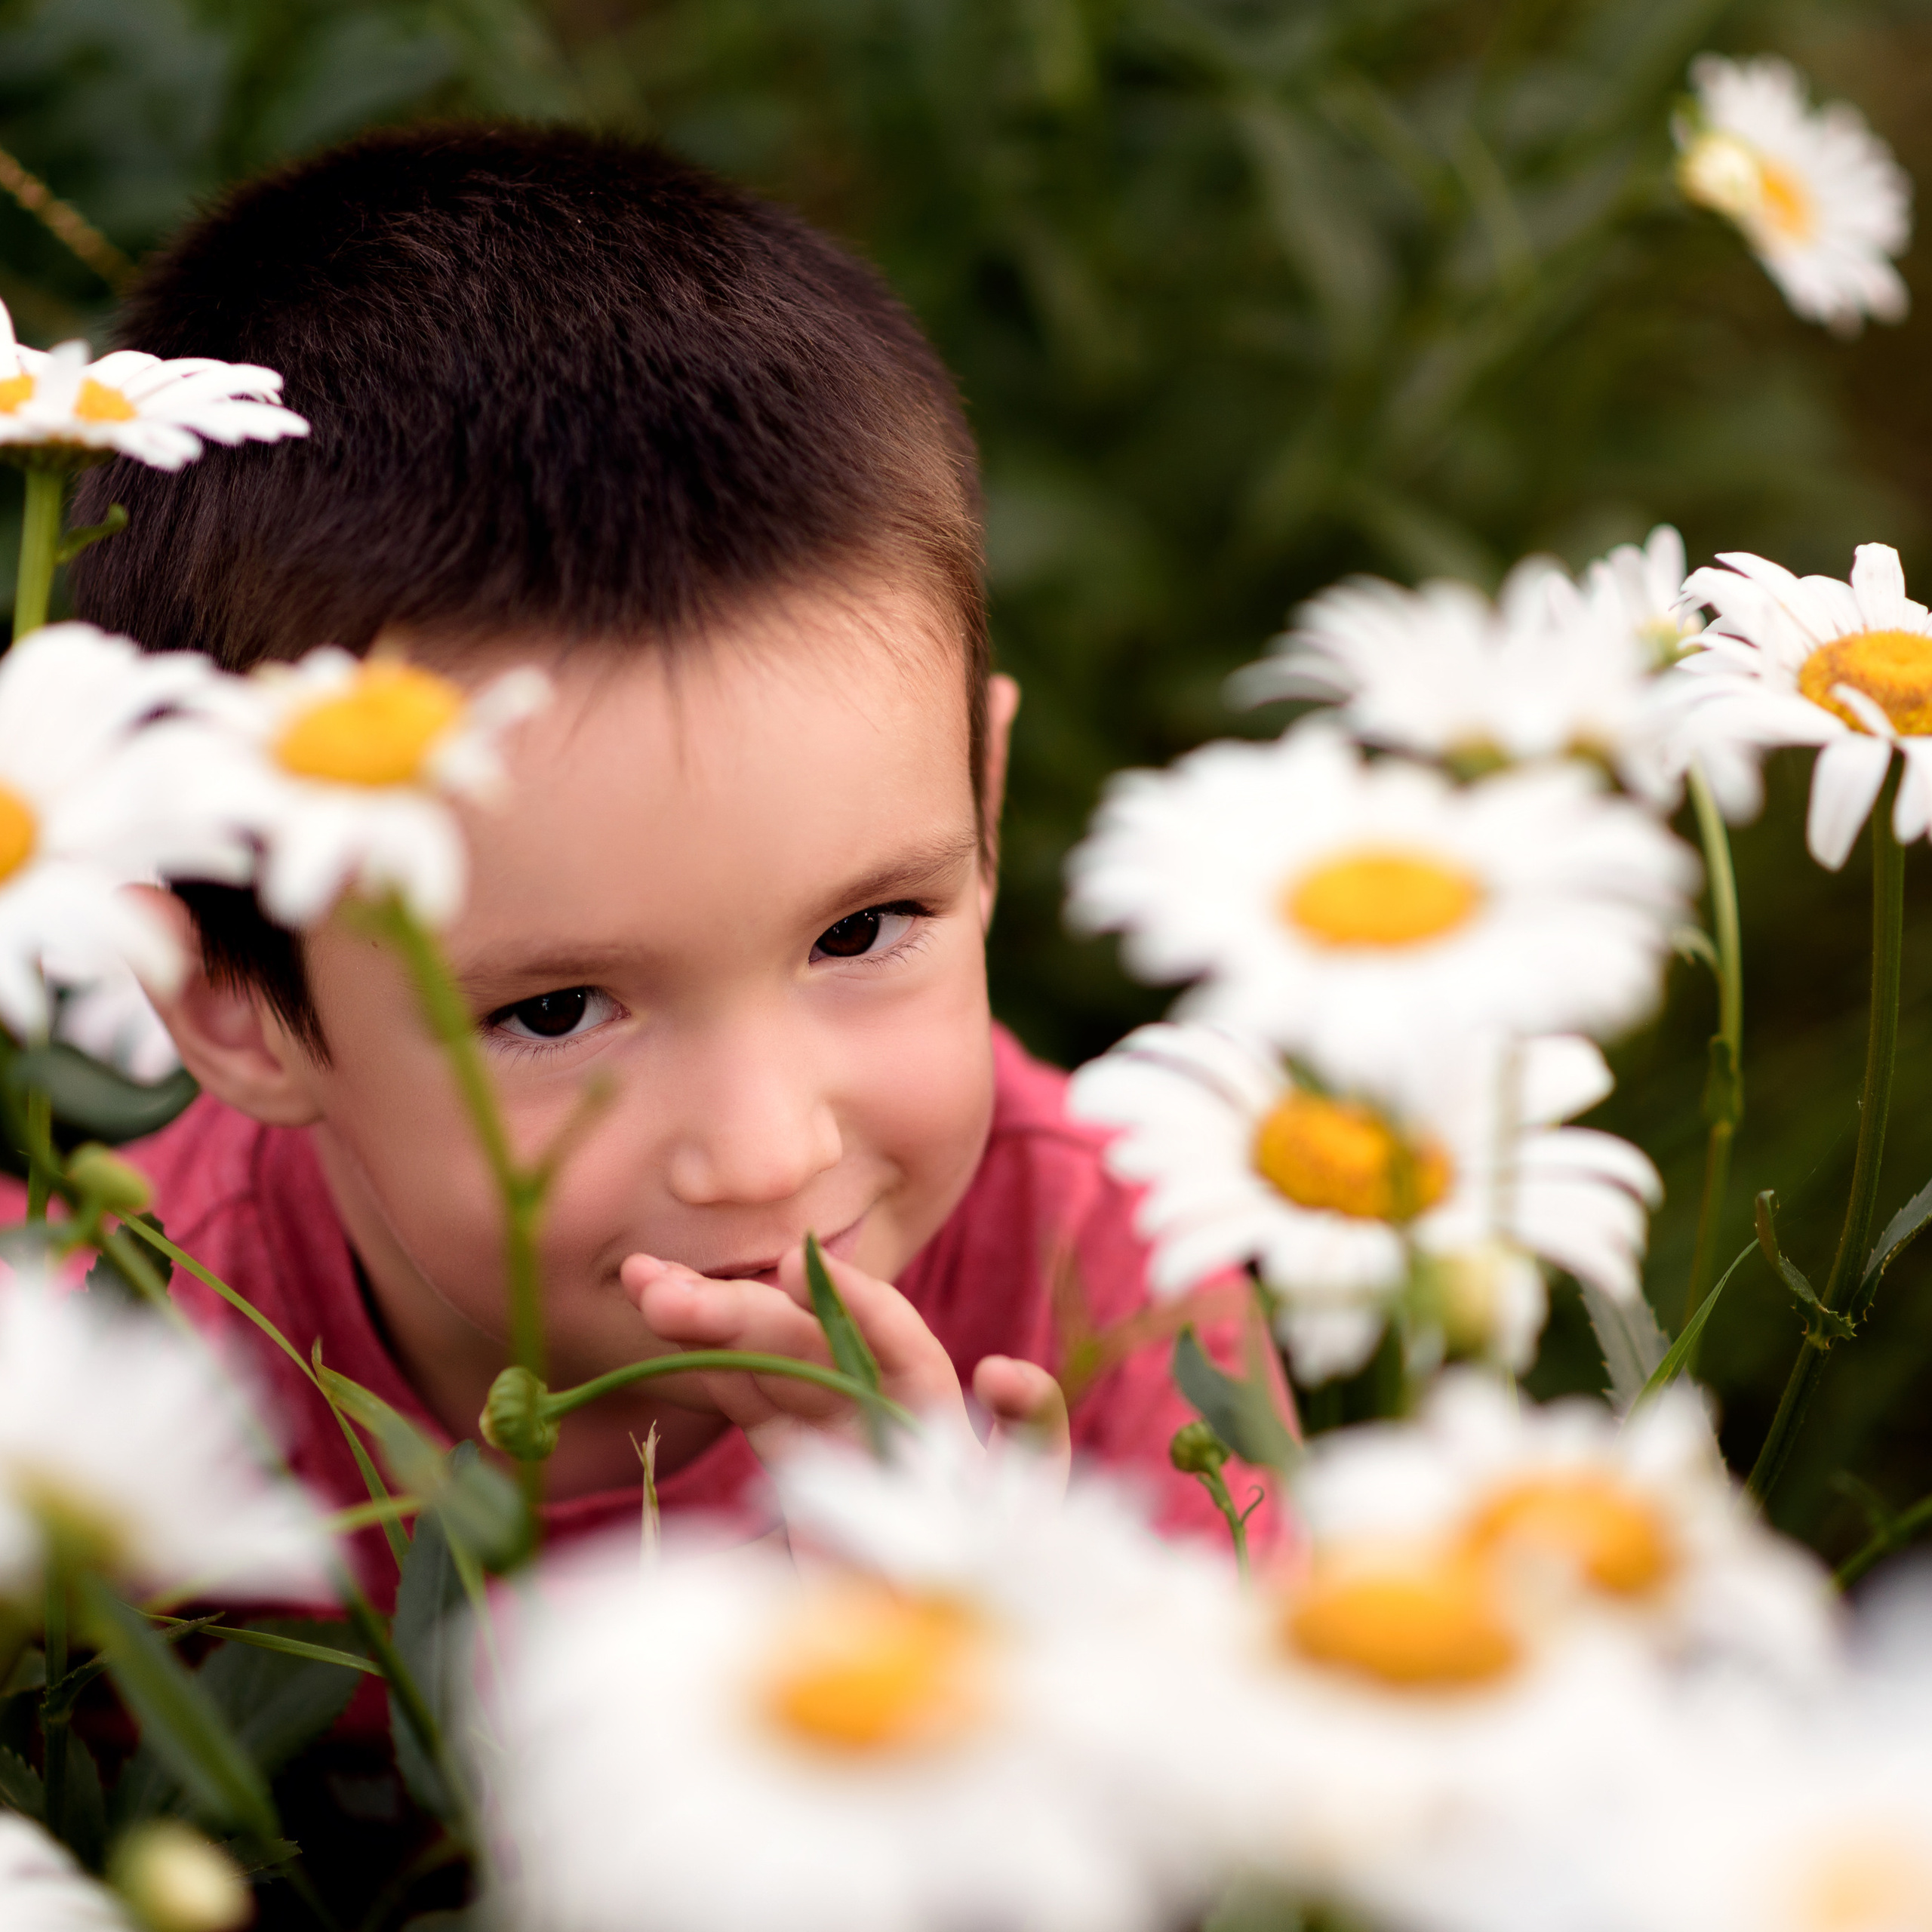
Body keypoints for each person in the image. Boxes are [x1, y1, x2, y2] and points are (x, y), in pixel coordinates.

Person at [66, 124, 1287, 1598]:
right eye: (556, 1009)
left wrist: (973, 1620)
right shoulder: (86, 1377)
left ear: (983, 789)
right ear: (229, 1008)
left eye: (860, 930)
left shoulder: (1112, 1270)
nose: (770, 1148)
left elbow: (1287, 1810)